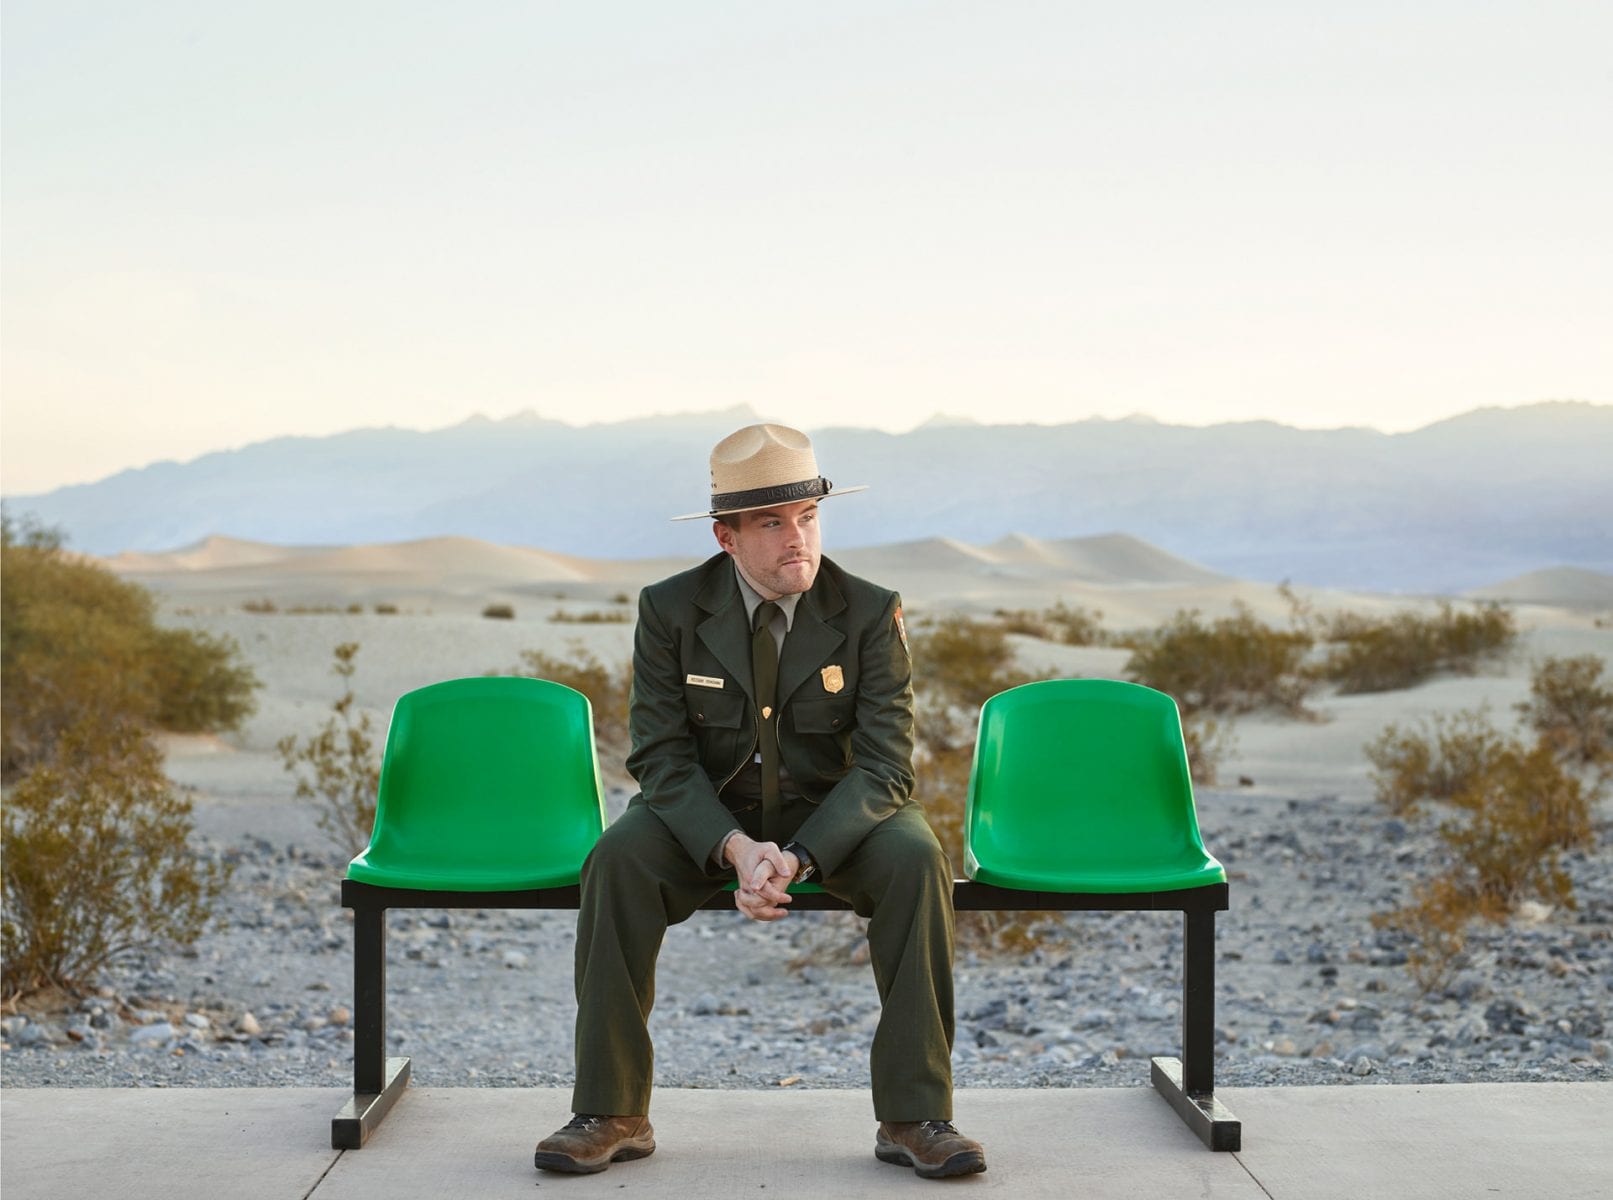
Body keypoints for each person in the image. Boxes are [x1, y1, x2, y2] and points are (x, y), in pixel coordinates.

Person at [534, 423, 986, 1179]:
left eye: (807, 517)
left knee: (916, 859)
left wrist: (803, 854)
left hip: (839, 815)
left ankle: (915, 1115)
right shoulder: (671, 609)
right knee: (615, 860)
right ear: (725, 537)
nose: (795, 538)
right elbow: (659, 756)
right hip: (704, 815)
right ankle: (612, 1111)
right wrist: (737, 850)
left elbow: (884, 766)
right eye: (771, 523)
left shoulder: (870, 612)